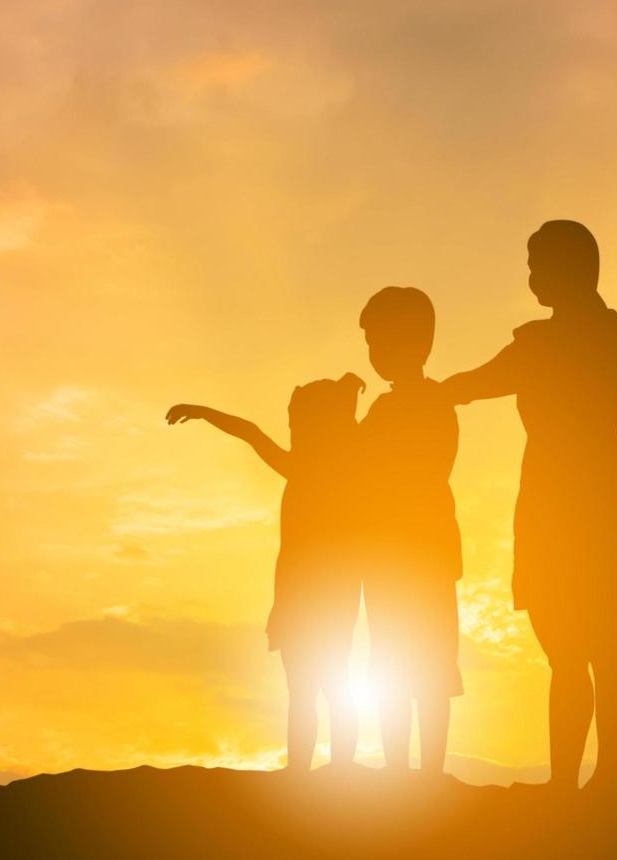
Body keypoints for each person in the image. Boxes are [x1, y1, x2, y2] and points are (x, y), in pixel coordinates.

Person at [440, 219, 617, 796]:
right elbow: (484, 379)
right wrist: (437, 389)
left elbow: (481, 379)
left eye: (538, 264)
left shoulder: (577, 338)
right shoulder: (560, 338)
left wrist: (431, 390)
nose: (530, 277)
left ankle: (601, 781)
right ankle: (569, 782)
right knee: (570, 651)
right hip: (553, 503)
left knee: (599, 645)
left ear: (571, 267)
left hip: (586, 503)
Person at [165, 373, 365, 773]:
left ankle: (315, 775)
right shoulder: (333, 473)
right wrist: (203, 411)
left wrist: (202, 411)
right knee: (325, 686)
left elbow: (251, 432)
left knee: (313, 689)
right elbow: (250, 431)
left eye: (298, 422)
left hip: (313, 594)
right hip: (313, 593)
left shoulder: (308, 471)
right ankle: (321, 774)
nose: (293, 429)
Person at [355, 286, 463, 778]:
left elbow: (360, 467)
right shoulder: (401, 406)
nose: (374, 354)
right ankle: (411, 770)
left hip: (412, 550)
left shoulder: (420, 405)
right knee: (404, 662)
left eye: (377, 341)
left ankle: (422, 772)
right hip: (407, 550)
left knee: (420, 664)